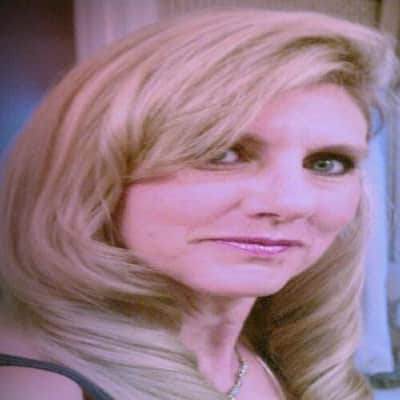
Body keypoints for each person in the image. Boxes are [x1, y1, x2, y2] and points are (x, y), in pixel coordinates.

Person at [0, 6, 398, 400]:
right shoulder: (37, 386)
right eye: (223, 154)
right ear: (91, 171)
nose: (292, 202)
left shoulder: (292, 357)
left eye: (327, 163)